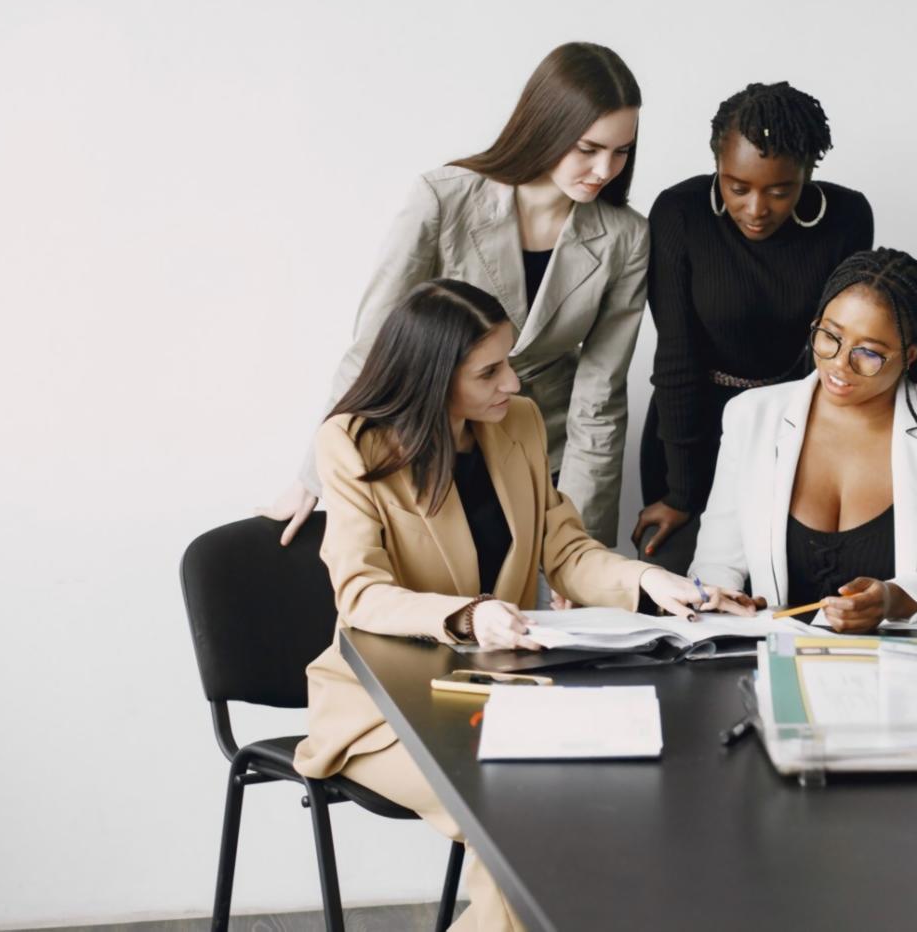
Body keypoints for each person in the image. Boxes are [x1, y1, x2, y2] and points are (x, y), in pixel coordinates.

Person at [293, 279, 751, 932]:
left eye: (508, 361)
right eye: (488, 372)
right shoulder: (352, 442)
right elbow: (361, 592)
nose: (511, 382)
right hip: (382, 709)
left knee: (599, 804)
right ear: (432, 377)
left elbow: (565, 549)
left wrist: (651, 582)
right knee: (514, 824)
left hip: (498, 696)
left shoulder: (519, 423)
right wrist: (468, 614)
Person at [263, 41, 650, 548]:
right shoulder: (443, 199)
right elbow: (375, 345)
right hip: (431, 444)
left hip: (544, 454)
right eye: (588, 149)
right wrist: (315, 475)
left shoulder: (627, 236)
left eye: (621, 151)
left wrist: (580, 539)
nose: (604, 170)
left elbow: (600, 396)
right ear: (547, 126)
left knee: (549, 593)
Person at [688, 249, 917, 631]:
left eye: (868, 353)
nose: (839, 364)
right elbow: (714, 566)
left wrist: (894, 599)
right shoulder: (752, 415)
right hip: (775, 651)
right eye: (830, 336)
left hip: (897, 658)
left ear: (909, 356)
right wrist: (724, 599)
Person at [632, 82, 874, 575]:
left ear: (807, 174)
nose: (757, 209)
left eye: (780, 191)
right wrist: (680, 494)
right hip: (690, 431)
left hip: (796, 428)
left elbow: (837, 352)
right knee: (683, 582)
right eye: (737, 187)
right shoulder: (680, 213)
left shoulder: (847, 219)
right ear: (717, 167)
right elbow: (676, 357)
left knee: (791, 585)